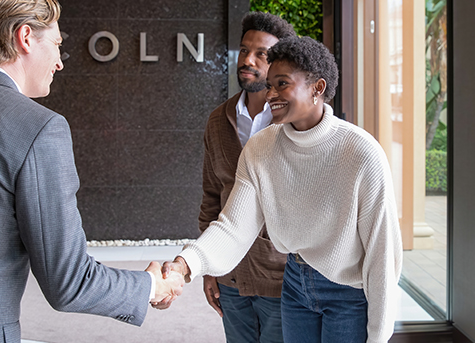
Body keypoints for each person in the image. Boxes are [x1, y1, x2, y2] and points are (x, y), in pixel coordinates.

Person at [0, 0, 183, 341]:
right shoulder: (39, 128)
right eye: (57, 44)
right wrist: (151, 285)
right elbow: (69, 282)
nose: (59, 63)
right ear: (25, 37)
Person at [162, 36, 403, 343]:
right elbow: (234, 228)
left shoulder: (361, 152)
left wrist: (380, 335)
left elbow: (383, 253)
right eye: (270, 85)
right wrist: (185, 265)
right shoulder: (260, 148)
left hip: (349, 293)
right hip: (294, 284)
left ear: (318, 88)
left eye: (282, 84)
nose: (271, 94)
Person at [198, 12, 295, 343]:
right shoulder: (218, 119)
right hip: (229, 275)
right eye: (243, 51)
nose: (248, 61)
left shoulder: (294, 125)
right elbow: (212, 196)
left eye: (261, 55)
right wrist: (209, 266)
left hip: (281, 279)